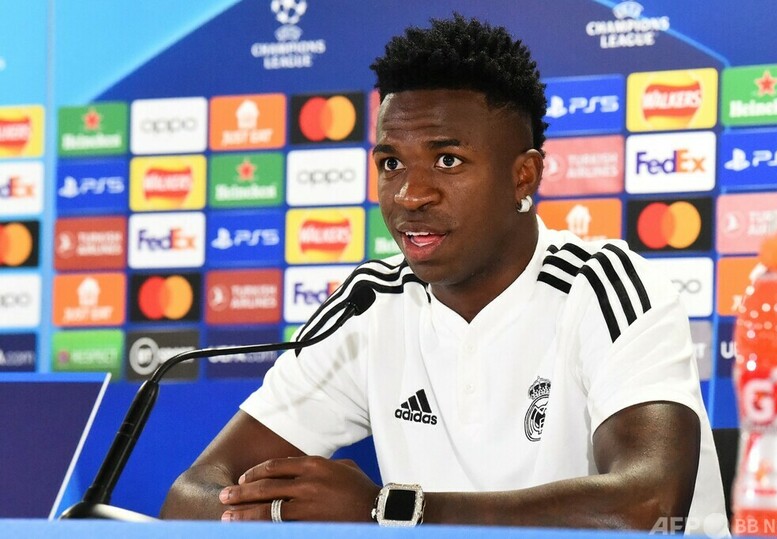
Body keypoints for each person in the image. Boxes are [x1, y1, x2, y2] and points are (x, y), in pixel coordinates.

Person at [161, 14, 727, 532]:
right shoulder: (370, 304)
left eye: (447, 160)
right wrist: (281, 510)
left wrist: (387, 510)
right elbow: (193, 494)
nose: (411, 195)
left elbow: (646, 506)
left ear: (524, 176)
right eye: (391, 163)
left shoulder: (606, 287)